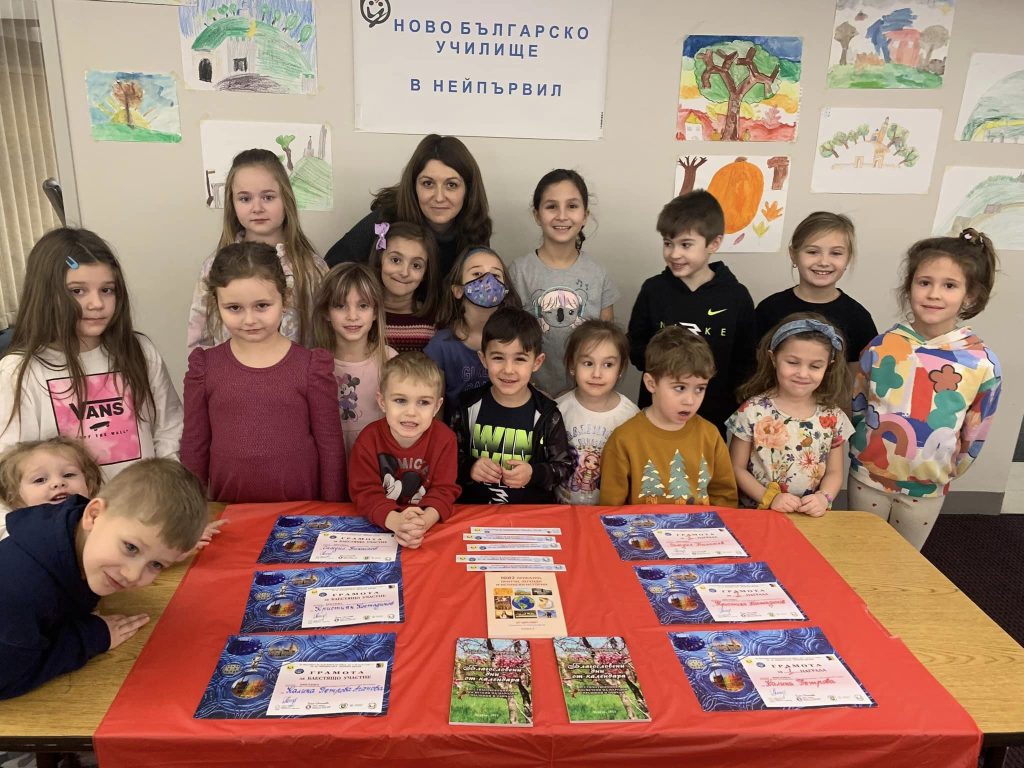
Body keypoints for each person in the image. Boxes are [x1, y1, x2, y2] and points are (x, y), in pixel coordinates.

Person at [0, 458, 208, 699]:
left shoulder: (77, 529)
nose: (133, 575)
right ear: (94, 514)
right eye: (130, 547)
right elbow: (6, 680)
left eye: (156, 564)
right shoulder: (20, 593)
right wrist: (91, 637)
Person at [849, 229, 1001, 550]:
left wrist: (944, 470)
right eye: (924, 282)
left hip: (927, 487)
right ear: (910, 287)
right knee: (859, 555)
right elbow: (858, 404)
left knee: (906, 561)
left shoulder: (981, 363)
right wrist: (861, 450)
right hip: (867, 478)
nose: (934, 294)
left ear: (970, 295)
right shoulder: (882, 346)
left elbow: (975, 430)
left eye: (949, 285)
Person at [0, 228, 182, 481]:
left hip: (144, 502)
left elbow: (169, 430)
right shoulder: (18, 371)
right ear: (46, 295)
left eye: (107, 290)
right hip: (67, 508)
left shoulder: (140, 351)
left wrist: (168, 489)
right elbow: (11, 466)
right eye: (77, 291)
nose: (96, 304)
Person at [181, 242, 346, 503]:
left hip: (302, 513)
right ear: (216, 304)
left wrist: (333, 510)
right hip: (230, 513)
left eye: (262, 306)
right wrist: (190, 513)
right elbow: (194, 446)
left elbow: (330, 447)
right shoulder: (205, 368)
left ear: (285, 299)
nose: (249, 320)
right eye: (234, 308)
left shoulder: (311, 367)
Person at [627, 190, 757, 436]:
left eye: (685, 244)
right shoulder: (653, 290)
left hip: (712, 420)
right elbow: (635, 345)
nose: (674, 253)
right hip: (657, 418)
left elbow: (746, 362)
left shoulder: (736, 297)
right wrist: (668, 366)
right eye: (668, 243)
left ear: (713, 243)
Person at [186, 148, 328, 351]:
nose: (257, 208)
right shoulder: (213, 267)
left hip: (297, 371)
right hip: (230, 371)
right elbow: (199, 340)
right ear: (232, 202)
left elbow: (326, 339)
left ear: (286, 198)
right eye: (245, 199)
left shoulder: (312, 268)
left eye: (268, 197)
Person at [727, 314, 853, 515]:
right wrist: (770, 498)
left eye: (815, 366)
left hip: (810, 516)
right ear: (773, 358)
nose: (803, 373)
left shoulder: (832, 416)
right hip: (760, 514)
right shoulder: (752, 411)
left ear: (828, 365)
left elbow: (835, 472)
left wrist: (824, 497)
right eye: (793, 362)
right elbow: (736, 468)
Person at [509, 170, 619, 396]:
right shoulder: (518, 272)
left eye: (572, 206)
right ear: (537, 215)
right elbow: (508, 341)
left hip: (585, 397)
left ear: (585, 215)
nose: (562, 215)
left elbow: (607, 344)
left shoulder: (598, 274)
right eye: (551, 206)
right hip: (529, 395)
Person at [600, 325, 738, 506]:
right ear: (651, 384)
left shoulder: (710, 436)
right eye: (680, 388)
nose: (690, 400)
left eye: (699, 389)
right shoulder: (623, 439)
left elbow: (725, 498)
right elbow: (610, 509)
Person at [449, 307, 572, 505]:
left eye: (520, 359)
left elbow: (564, 467)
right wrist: (470, 467)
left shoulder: (548, 414)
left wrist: (533, 473)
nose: (508, 369)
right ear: (483, 359)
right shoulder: (467, 406)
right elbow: (447, 458)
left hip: (528, 515)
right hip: (474, 512)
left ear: (537, 362)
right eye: (498, 358)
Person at [325, 134, 492, 280]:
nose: (439, 197)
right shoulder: (386, 219)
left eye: (451, 185)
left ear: (468, 190)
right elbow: (331, 269)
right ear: (413, 187)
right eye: (428, 183)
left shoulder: (475, 229)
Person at [348, 353, 459, 548]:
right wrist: (395, 522)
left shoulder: (445, 440)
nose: (411, 412)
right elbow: (364, 493)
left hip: (426, 527)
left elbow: (444, 491)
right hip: (381, 527)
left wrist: (422, 523)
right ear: (382, 402)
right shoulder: (368, 439)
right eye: (400, 400)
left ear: (437, 406)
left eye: (423, 402)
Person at [755, 212, 877, 372]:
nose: (824, 262)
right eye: (812, 252)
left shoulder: (858, 318)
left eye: (836, 253)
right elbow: (753, 369)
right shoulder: (768, 310)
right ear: (793, 255)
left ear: (848, 258)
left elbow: (859, 378)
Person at [311, 263, 397, 456]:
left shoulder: (390, 360)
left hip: (375, 465)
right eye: (340, 306)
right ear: (326, 312)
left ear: (375, 312)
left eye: (363, 306)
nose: (352, 316)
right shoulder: (313, 363)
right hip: (329, 462)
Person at [425, 247, 522, 417]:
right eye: (477, 274)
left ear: (505, 290)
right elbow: (434, 408)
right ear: (458, 290)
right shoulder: (441, 346)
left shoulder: (517, 339)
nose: (488, 281)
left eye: (496, 275)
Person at [555, 321, 638, 505]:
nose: (597, 373)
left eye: (608, 364)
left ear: (620, 369)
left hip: (610, 511)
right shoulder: (558, 409)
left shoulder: (630, 415)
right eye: (588, 363)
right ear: (572, 365)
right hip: (561, 509)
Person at [0, 437, 103, 539]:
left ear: (89, 484)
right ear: (15, 498)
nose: (58, 482)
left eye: (68, 475)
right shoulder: (18, 539)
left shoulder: (104, 520)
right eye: (40, 480)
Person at [368, 221, 440, 353]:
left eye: (416, 265)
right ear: (380, 260)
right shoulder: (359, 314)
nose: (404, 273)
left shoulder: (435, 322)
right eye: (395, 260)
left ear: (425, 273)